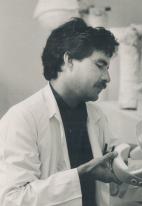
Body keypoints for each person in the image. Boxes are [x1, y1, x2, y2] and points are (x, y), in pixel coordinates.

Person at [0, 18, 124, 206]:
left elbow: (115, 166)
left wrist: (131, 158)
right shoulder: (22, 118)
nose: (107, 78)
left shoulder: (96, 116)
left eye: (107, 68)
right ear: (69, 60)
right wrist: (79, 175)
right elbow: (12, 199)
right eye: (100, 65)